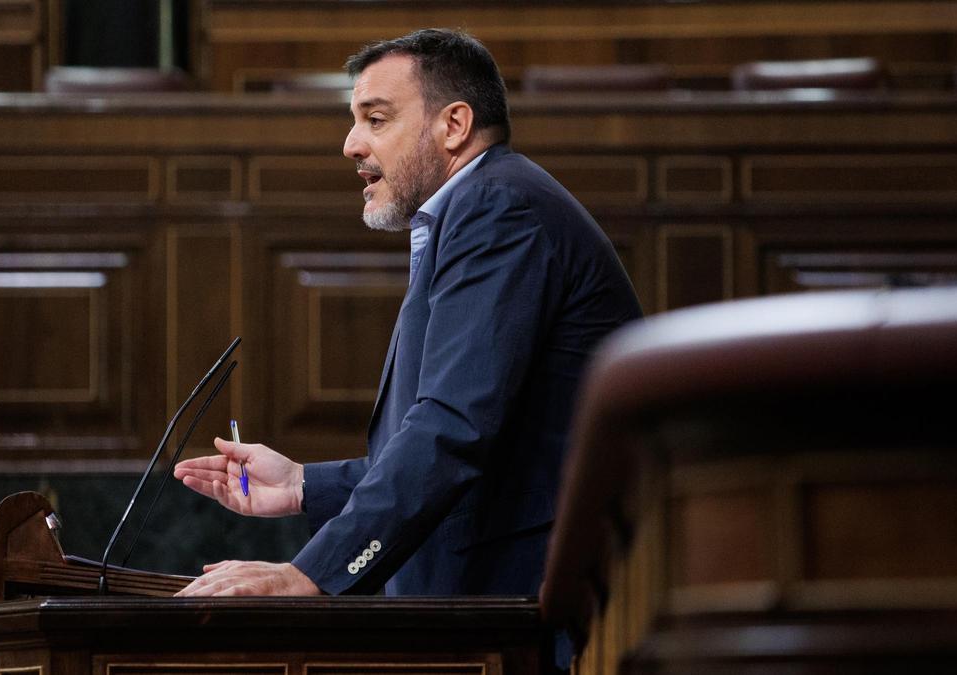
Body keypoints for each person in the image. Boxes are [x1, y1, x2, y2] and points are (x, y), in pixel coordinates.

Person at [173, 29, 642, 600]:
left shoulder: (498, 209)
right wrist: (301, 485)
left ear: (454, 125)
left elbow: (452, 431)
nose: (350, 144)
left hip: (523, 608)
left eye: (375, 119)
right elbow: (479, 442)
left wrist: (311, 573)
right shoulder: (481, 206)